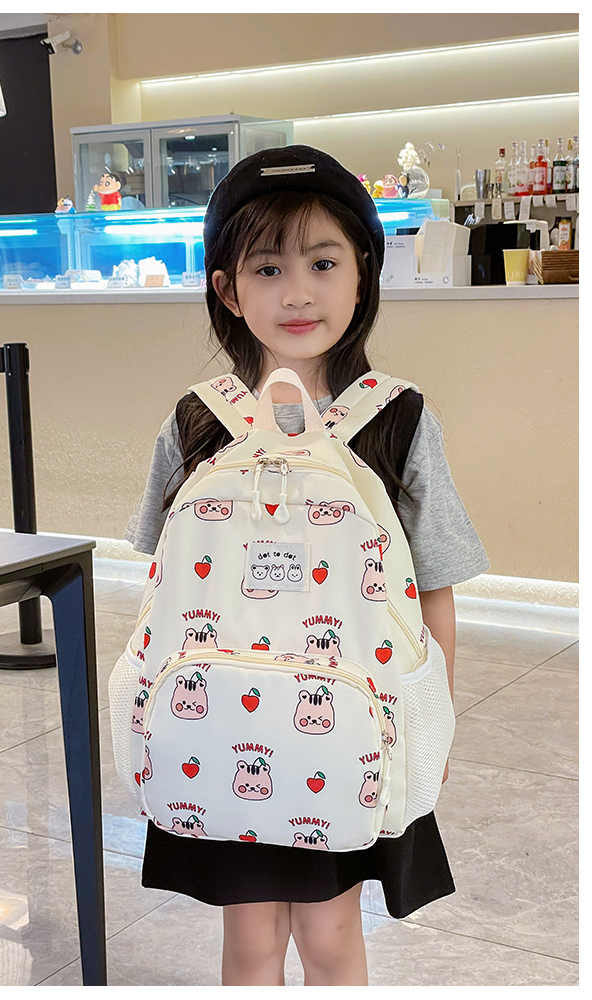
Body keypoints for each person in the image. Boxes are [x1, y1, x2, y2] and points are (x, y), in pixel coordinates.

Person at [124, 145, 489, 987]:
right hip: (220, 729)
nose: (297, 292)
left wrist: (434, 725)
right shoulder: (198, 422)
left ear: (363, 273)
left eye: (323, 263)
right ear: (228, 289)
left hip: (350, 735)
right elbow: (161, 589)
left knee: (330, 935)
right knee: (250, 939)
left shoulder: (396, 420)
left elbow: (433, 586)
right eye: (268, 268)